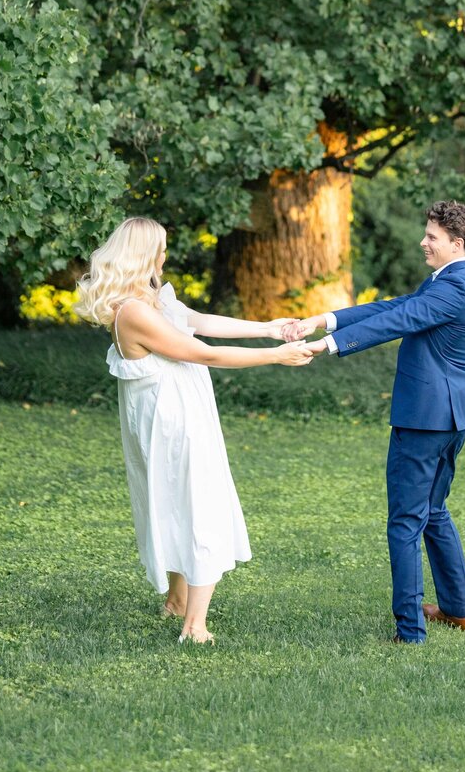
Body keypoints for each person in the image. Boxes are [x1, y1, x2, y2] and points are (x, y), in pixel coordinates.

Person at [75, 215, 316, 644]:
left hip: (176, 414)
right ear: (144, 254)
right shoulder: (133, 312)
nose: (166, 255)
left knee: (177, 501)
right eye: (161, 248)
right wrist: (275, 356)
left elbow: (201, 321)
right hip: (173, 421)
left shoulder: (151, 299)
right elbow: (202, 353)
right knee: (198, 505)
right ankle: (195, 626)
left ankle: (177, 601)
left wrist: (268, 328)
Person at [289, 200, 465, 644]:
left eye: (432, 236)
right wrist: (325, 319)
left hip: (426, 420)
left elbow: (402, 319)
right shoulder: (451, 279)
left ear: (456, 243)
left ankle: (410, 632)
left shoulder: (453, 287)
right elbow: (396, 305)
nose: (423, 241)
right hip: (447, 416)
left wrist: (327, 346)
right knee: (432, 511)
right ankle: (457, 611)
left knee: (405, 521)